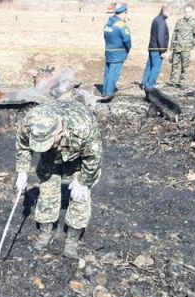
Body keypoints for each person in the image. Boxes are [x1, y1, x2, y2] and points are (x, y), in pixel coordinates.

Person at [15, 100, 103, 259]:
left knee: (80, 198)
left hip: (78, 157)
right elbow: (23, 146)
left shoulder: (84, 127)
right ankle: (45, 232)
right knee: (47, 192)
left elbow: (93, 159)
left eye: (48, 142)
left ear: (59, 132)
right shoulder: (30, 123)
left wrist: (83, 182)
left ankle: (72, 240)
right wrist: (22, 171)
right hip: (50, 158)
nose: (45, 146)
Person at [102, 3, 131, 101]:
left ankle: (105, 91)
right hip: (118, 52)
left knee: (108, 72)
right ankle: (109, 93)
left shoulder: (108, 23)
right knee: (113, 73)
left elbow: (105, 36)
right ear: (122, 13)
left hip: (109, 50)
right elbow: (127, 40)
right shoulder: (121, 25)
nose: (126, 15)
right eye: (126, 13)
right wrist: (128, 49)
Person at [169, 4, 195, 86]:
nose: (187, 14)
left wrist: (193, 45)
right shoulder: (179, 21)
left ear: (191, 12)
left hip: (186, 48)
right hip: (177, 47)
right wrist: (172, 45)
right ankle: (173, 81)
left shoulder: (194, 22)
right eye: (186, 12)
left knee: (184, 66)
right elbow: (174, 34)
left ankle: (182, 82)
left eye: (189, 12)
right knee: (174, 64)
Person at [141, 5, 169, 90]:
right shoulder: (161, 22)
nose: (169, 14)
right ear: (165, 11)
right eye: (169, 12)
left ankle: (144, 83)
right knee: (156, 67)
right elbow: (160, 37)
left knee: (149, 65)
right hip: (157, 49)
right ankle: (150, 85)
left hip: (152, 47)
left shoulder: (156, 19)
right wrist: (163, 51)